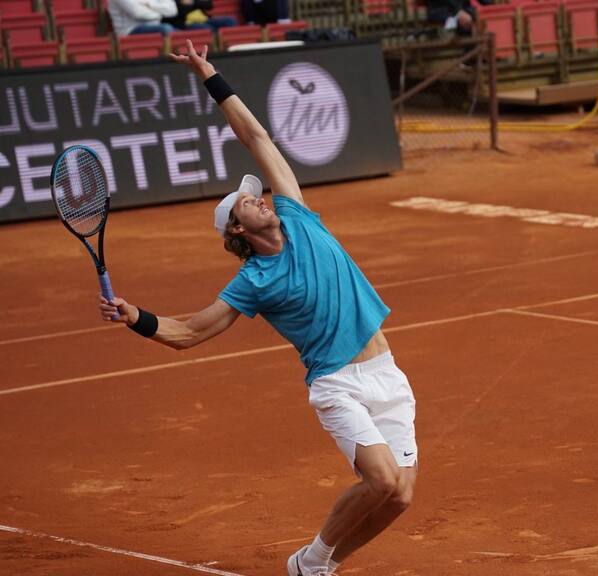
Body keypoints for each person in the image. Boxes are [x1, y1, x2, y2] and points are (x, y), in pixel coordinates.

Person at [99, 40, 418, 576]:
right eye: (249, 200)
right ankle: (312, 565)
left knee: (401, 497)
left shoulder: (299, 215)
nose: (261, 197)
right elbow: (189, 332)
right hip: (337, 383)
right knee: (381, 481)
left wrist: (210, 75)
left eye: (258, 194)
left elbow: (256, 135)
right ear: (238, 231)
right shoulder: (253, 281)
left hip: (386, 371)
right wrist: (139, 318)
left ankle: (317, 564)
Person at [107, 0, 179, 36]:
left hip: (156, 26)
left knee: (189, 30)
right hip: (129, 30)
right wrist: (161, 13)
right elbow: (138, 13)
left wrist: (149, 5)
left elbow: (173, 10)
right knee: (166, 28)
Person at [163, 0, 237, 31]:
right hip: (187, 22)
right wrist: (182, 4)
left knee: (230, 20)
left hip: (206, 19)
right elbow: (173, 14)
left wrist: (193, 2)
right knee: (208, 28)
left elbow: (209, 5)